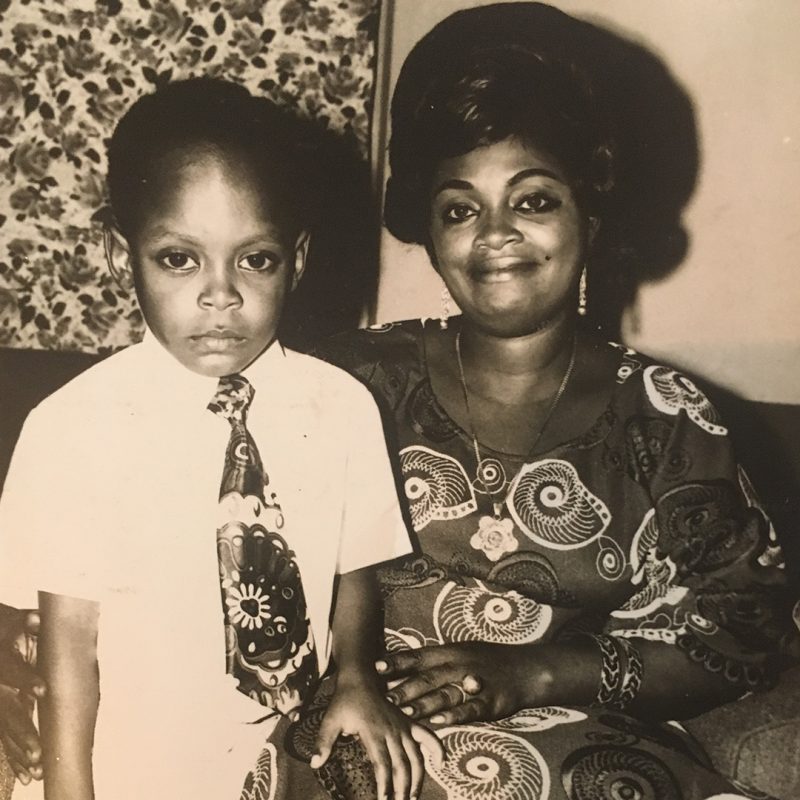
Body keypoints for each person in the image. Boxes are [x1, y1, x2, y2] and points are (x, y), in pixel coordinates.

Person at [285, 3, 794, 799]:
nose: (494, 234)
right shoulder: (350, 379)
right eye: (459, 208)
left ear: (591, 213)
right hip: (364, 733)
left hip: (585, 744)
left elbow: (737, 636)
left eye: (533, 200)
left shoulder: (666, 419)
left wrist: (535, 672)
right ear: (428, 227)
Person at [0, 77, 442, 800]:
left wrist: (358, 678)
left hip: (285, 739)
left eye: (255, 259)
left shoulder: (342, 406)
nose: (221, 294)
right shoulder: (72, 428)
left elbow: (354, 569)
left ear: (296, 259)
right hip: (134, 747)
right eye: (179, 258)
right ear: (122, 257)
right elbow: (69, 649)